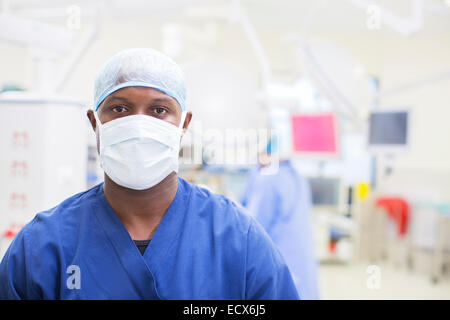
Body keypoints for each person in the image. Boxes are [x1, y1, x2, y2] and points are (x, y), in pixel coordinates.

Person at [0, 48, 299, 300]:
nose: (138, 124)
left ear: (183, 125)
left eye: (159, 110)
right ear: (95, 123)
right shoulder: (41, 247)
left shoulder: (237, 239)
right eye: (119, 109)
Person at [240, 138, 320, 299]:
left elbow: (253, 227)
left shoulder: (268, 179)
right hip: (300, 262)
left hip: (280, 259)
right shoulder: (295, 176)